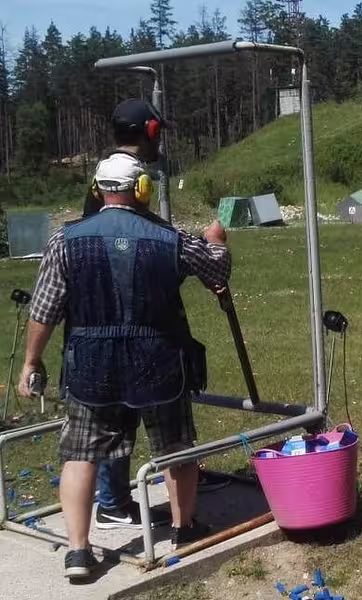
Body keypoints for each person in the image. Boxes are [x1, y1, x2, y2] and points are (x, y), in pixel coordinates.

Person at [17, 102, 232, 580]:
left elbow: (44, 309)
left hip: (91, 364)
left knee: (79, 454)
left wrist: (31, 361)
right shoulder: (172, 238)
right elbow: (217, 268)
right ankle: (185, 528)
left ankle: (78, 550)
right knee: (176, 449)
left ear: (98, 189)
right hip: (158, 360)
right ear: (141, 189)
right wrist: (218, 240)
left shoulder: (63, 240)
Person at [80, 99, 229, 533]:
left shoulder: (103, 176)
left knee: (113, 411)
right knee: (129, 413)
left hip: (105, 314)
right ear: (147, 129)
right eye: (157, 131)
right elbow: (131, 248)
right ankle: (117, 500)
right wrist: (205, 251)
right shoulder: (124, 180)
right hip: (126, 320)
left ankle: (113, 499)